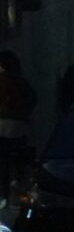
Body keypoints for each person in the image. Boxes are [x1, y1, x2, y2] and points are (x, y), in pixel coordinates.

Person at [0, 52, 37, 195]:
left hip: (3, 126)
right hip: (19, 127)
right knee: (17, 161)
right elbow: (32, 99)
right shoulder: (22, 83)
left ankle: (5, 193)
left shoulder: (3, 81)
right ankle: (18, 186)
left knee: (3, 162)